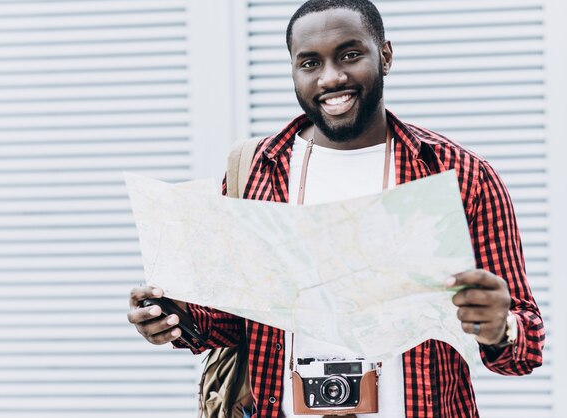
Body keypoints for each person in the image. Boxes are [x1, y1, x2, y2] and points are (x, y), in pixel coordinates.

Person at [127, 0, 544, 417]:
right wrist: (175, 317)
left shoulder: (460, 175)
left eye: (349, 55)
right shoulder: (259, 172)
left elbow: (524, 349)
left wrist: (500, 328)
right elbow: (235, 319)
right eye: (310, 63)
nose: (331, 77)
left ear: (385, 54)